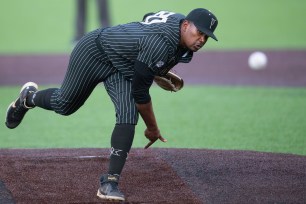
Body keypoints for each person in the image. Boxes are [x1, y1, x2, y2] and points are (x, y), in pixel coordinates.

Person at [5, 8, 218, 202]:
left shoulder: (177, 21)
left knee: (128, 113)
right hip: (94, 51)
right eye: (198, 32)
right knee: (64, 105)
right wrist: (152, 128)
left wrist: (152, 69)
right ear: (186, 25)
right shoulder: (160, 43)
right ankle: (28, 98)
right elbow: (141, 92)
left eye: (205, 36)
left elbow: (148, 17)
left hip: (122, 66)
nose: (201, 39)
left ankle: (110, 182)